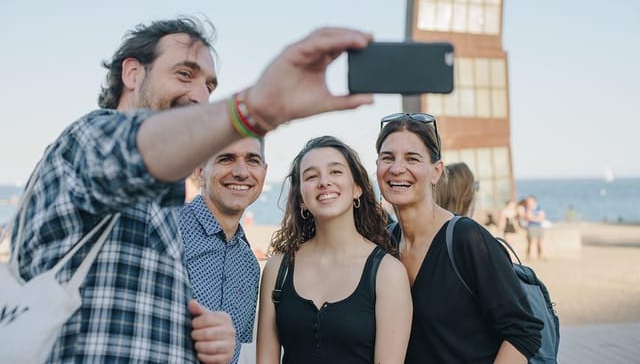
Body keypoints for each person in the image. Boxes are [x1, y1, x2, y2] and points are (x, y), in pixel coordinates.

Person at [9, 17, 374, 363]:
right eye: (185, 74)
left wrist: (214, 341)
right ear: (133, 73)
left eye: (210, 87)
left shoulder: (172, 218)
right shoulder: (88, 140)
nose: (200, 96)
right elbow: (136, 147)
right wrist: (254, 109)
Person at [375, 112, 542, 364]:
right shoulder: (384, 243)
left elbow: (524, 331)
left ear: (436, 171)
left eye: (412, 158)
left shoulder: (465, 238)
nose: (397, 168)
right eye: (387, 158)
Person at [257, 136, 412, 364]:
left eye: (336, 172)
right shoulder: (278, 269)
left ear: (357, 188)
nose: (324, 182)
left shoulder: (388, 272)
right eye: (311, 176)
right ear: (301, 199)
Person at [180, 137, 267, 364]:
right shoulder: (168, 231)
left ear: (264, 172)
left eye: (252, 160)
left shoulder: (249, 265)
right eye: (226, 159)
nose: (241, 172)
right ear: (200, 171)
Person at [524, 195, 547, 261]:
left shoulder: (539, 208)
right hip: (532, 227)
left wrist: (533, 218)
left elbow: (542, 217)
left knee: (541, 242)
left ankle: (542, 255)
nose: (528, 202)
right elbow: (528, 217)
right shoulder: (528, 208)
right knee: (533, 242)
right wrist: (536, 218)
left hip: (539, 226)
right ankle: (532, 256)